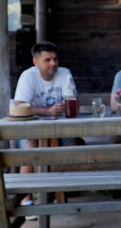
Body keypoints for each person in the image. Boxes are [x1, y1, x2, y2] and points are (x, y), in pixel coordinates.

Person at [13, 41, 85, 207]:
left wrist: (68, 107)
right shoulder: (28, 76)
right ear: (35, 61)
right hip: (32, 130)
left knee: (78, 148)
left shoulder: (65, 73)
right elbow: (18, 105)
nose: (53, 63)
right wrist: (47, 111)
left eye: (55, 59)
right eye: (47, 60)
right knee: (30, 150)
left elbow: (75, 103)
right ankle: (26, 199)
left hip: (62, 130)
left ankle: (56, 192)